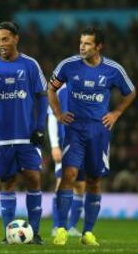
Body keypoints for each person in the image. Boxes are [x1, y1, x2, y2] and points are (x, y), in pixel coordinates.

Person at [48, 26, 136, 246]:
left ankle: (87, 232)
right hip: (75, 129)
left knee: (94, 180)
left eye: (87, 43)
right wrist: (58, 113)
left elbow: (131, 92)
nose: (82, 46)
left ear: (99, 46)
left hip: (99, 131)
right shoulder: (68, 65)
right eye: (81, 42)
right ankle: (61, 229)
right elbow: (50, 89)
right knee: (69, 175)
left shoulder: (113, 69)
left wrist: (116, 113)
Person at [0, 21, 48, 245]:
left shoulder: (30, 65)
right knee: (7, 183)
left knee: (34, 179)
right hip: (2, 139)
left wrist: (40, 127)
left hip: (27, 136)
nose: (1, 44)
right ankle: (9, 236)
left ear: (16, 38)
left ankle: (34, 233)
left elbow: (43, 96)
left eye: (5, 39)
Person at [48, 85, 85, 237]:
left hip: (84, 143)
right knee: (61, 183)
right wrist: (54, 145)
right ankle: (57, 226)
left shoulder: (89, 85)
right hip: (65, 143)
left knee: (80, 186)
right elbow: (51, 117)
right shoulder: (60, 89)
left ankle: (71, 227)